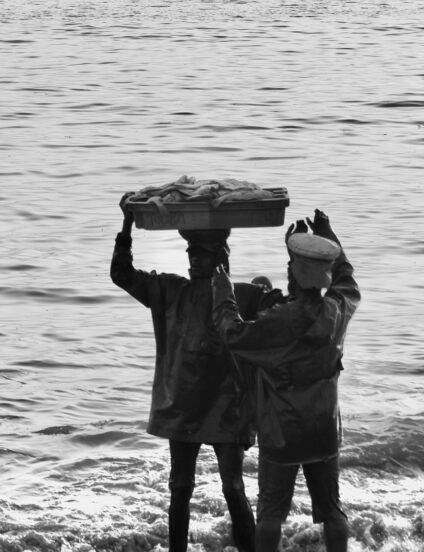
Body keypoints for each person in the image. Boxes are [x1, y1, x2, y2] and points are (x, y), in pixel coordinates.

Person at [111, 199, 265, 552]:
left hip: (228, 407)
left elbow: (291, 311)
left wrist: (300, 261)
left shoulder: (243, 294)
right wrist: (126, 227)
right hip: (182, 406)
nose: (194, 258)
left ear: (220, 257)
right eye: (192, 252)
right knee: (180, 487)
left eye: (203, 253)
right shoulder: (170, 290)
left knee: (233, 488)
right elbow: (122, 275)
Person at [212, 210, 360, 552]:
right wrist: (327, 233)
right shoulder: (337, 308)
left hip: (282, 433)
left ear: (294, 273)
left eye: (291, 265)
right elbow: (346, 275)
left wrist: (222, 291)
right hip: (323, 430)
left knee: (271, 514)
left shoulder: (279, 320)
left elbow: (232, 333)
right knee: (333, 511)